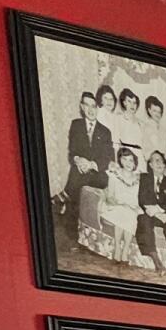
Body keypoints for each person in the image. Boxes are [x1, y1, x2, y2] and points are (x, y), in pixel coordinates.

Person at [62, 86, 113, 245]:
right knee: (77, 183)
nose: (91, 109)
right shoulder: (76, 125)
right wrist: (78, 160)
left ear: (97, 108)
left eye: (94, 106)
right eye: (87, 105)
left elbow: (107, 158)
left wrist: (91, 164)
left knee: (76, 185)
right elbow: (72, 151)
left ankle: (64, 195)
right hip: (80, 170)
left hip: (97, 174)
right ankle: (73, 237)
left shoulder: (105, 131)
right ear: (82, 107)